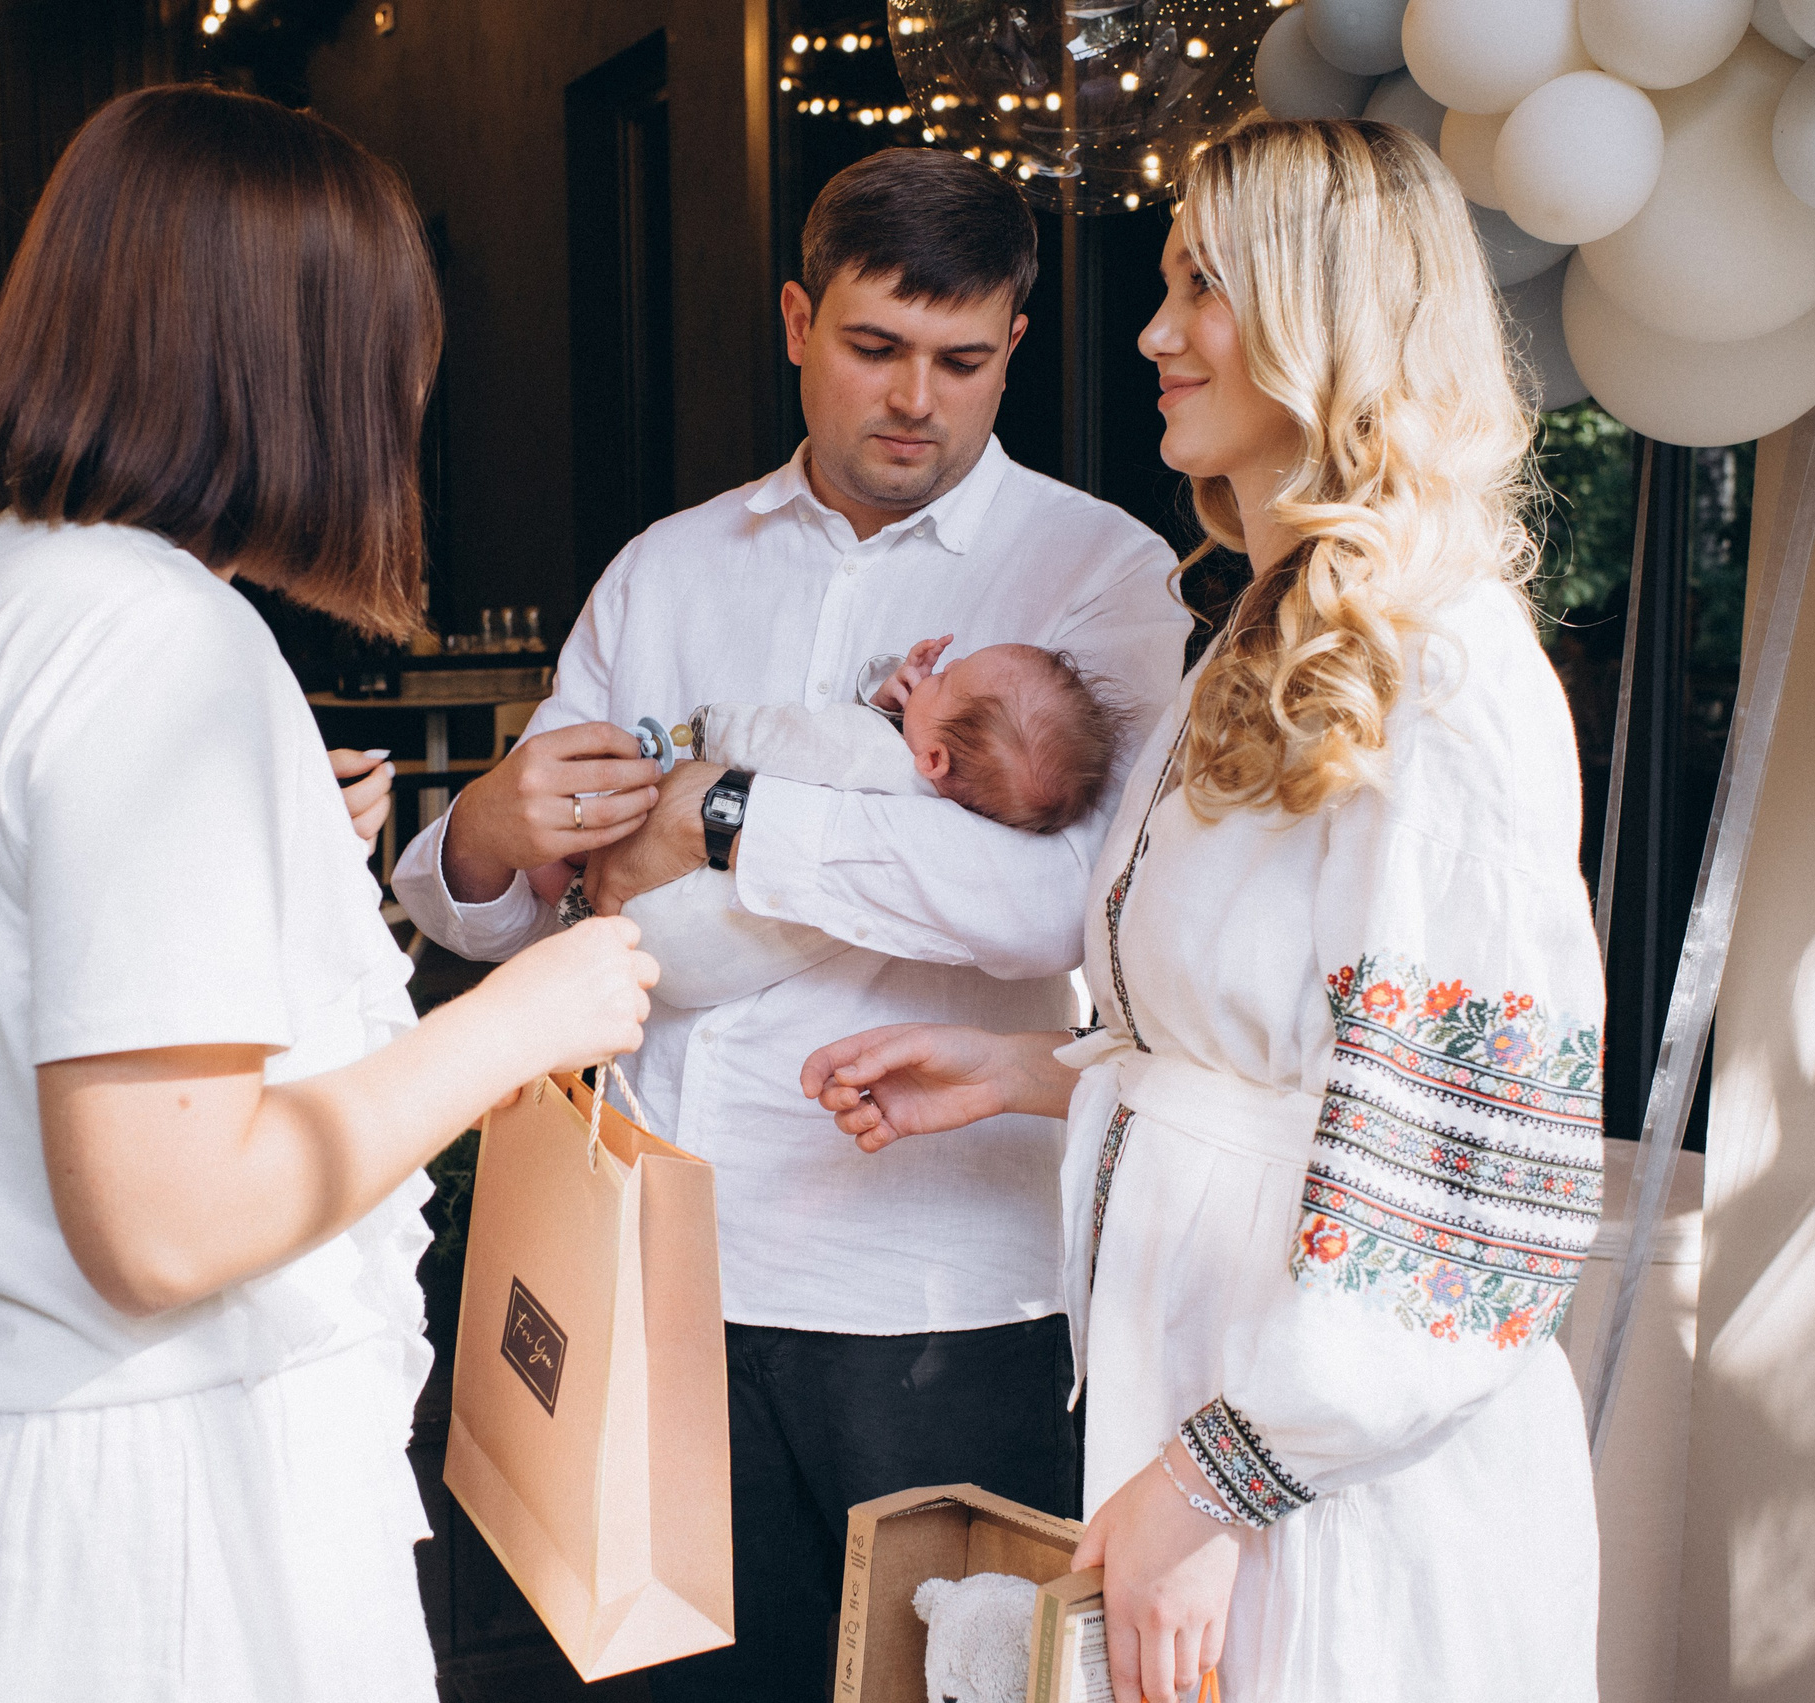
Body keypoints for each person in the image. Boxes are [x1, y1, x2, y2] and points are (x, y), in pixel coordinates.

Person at [0, 87, 656, 1703]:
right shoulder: (155, 639)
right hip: (142, 1549)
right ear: (294, 361)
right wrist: (521, 1017)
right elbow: (167, 1215)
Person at [804, 116, 1604, 1703]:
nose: (1154, 334)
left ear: (1330, 320)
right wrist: (1034, 1071)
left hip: (1325, 1476)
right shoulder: (1253, 635)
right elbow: (1261, 1051)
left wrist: (1222, 1477)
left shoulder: (1445, 668)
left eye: (1204, 287)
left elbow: (1478, 1183)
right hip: (1204, 1413)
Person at [395, 147, 1191, 1699]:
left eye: (963, 359)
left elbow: (1065, 901)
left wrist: (730, 816)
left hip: (943, 1295)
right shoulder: (669, 568)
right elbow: (525, 918)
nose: (917, 400)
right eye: (875, 346)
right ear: (794, 321)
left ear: (1016, 344)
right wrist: (483, 834)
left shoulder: (1104, 577)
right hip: (657, 1269)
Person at [565, 637, 1130, 1009]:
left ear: (934, 760)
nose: (935, 672)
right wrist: (898, 708)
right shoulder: (953, 823)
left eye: (943, 681)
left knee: (599, 836)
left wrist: (711, 728)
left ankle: (563, 880)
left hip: (667, 908)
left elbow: (788, 740)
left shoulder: (871, 751)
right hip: (701, 971)